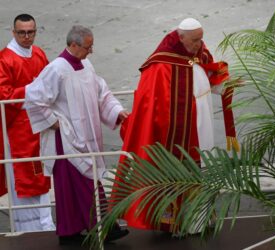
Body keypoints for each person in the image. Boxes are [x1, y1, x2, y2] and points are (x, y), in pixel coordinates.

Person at [115, 18, 239, 232]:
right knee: (184, 170)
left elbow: (209, 72)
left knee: (203, 167)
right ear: (180, 38)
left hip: (203, 123)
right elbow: (155, 104)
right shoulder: (161, 64)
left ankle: (200, 219)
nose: (199, 45)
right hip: (180, 133)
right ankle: (177, 222)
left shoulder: (198, 51)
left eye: (201, 39)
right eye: (195, 41)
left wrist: (224, 83)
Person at [24, 25, 129, 245]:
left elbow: (101, 92)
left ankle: (69, 231)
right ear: (73, 45)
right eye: (88, 47)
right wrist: (54, 123)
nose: (90, 51)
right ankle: (104, 228)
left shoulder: (86, 64)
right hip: (68, 139)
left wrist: (116, 111)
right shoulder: (56, 69)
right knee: (84, 184)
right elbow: (34, 98)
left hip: (88, 136)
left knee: (74, 187)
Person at [0, 13, 55, 232]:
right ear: (13, 32)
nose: (26, 37)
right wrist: (32, 90)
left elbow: (49, 81)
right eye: (21, 32)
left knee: (41, 176)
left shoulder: (39, 53)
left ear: (35, 31)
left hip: (38, 127)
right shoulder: (5, 59)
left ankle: (44, 222)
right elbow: (4, 94)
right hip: (18, 131)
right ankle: (28, 228)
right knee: (23, 177)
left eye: (30, 32)